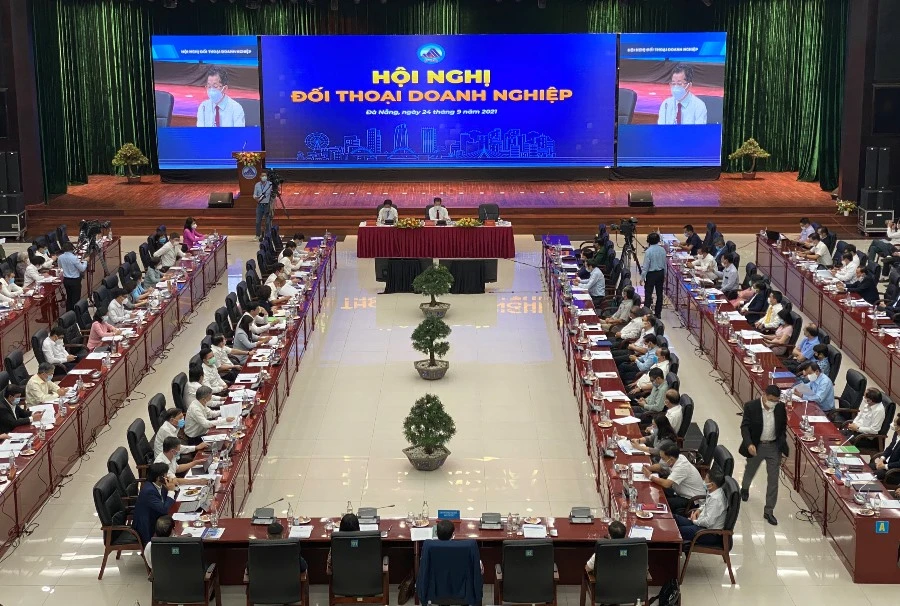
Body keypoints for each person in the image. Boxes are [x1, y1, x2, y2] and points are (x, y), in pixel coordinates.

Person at [739, 385, 788, 526]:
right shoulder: (751, 406)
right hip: (756, 446)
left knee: (773, 480)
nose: (773, 403)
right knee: (750, 470)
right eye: (771, 400)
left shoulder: (780, 407)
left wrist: (781, 444)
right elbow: (745, 427)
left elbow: (782, 427)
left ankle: (769, 511)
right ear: (764, 395)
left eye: (776, 401)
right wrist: (749, 444)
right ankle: (745, 488)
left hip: (773, 447)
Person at [642, 441, 706, 514]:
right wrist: (649, 468)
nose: (662, 460)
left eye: (663, 458)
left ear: (671, 459)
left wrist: (650, 476)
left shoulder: (682, 466)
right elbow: (661, 466)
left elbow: (666, 484)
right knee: (657, 490)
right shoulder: (676, 458)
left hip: (691, 499)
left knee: (662, 503)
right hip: (679, 491)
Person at [675, 468, 729, 543]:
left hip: (708, 533)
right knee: (675, 518)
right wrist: (699, 510)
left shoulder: (716, 499)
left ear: (712, 484)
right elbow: (706, 504)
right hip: (701, 524)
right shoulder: (713, 491)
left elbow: (708, 522)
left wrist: (694, 521)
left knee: (677, 531)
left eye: (706, 480)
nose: (704, 481)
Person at [133, 462, 177, 545]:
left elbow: (167, 501)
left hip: (157, 516)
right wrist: (171, 491)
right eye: (165, 475)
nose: (167, 477)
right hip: (148, 525)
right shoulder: (149, 491)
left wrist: (172, 487)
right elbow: (164, 509)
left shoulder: (159, 485)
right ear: (159, 478)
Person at [640, 232, 666, 317]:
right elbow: (664, 264)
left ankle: (646, 314)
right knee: (659, 294)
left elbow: (646, 266)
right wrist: (665, 274)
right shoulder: (662, 250)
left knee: (648, 294)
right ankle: (658, 313)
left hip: (651, 274)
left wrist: (642, 277)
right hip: (660, 273)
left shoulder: (648, 251)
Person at [869, 413, 900, 480]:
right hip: (886, 463)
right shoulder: (896, 433)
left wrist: (885, 466)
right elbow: (890, 448)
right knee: (867, 467)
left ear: (899, 428)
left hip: (894, 472)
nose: (892, 424)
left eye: (894, 423)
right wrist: (882, 459)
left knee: (871, 475)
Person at [58, 242, 86, 312]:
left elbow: (60, 267)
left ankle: (68, 313)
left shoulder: (60, 257)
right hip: (75, 281)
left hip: (66, 280)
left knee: (69, 297)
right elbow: (82, 269)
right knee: (76, 299)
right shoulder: (74, 258)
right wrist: (85, 262)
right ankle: (76, 313)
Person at [254, 171, 275, 240]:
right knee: (258, 221)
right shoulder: (257, 185)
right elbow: (254, 194)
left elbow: (275, 192)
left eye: (265, 176)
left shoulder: (270, 184)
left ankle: (267, 235)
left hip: (267, 205)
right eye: (263, 176)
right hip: (259, 205)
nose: (264, 177)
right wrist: (256, 198)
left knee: (268, 222)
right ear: (260, 177)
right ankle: (258, 235)